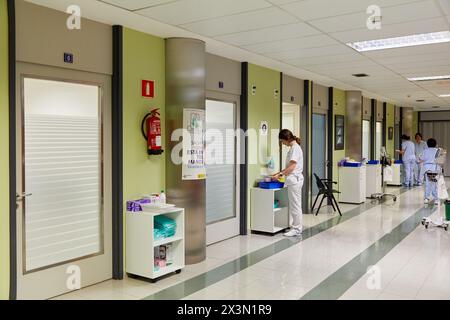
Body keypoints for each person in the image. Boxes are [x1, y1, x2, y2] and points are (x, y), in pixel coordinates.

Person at [272, 129, 304, 237]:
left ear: (286, 139)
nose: (283, 144)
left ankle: (297, 229)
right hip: (293, 180)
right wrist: (278, 173)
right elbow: (289, 167)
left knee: (295, 206)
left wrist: (280, 175)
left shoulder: (295, 148)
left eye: (282, 141)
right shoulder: (293, 148)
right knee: (294, 205)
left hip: (295, 180)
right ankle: (295, 227)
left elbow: (292, 167)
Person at [420, 138, 439, 205]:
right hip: (435, 168)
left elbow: (421, 159)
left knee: (428, 184)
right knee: (434, 184)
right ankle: (436, 198)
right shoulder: (437, 150)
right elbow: (440, 159)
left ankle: (426, 198)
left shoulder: (425, 150)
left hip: (427, 168)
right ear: (435, 144)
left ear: (427, 144)